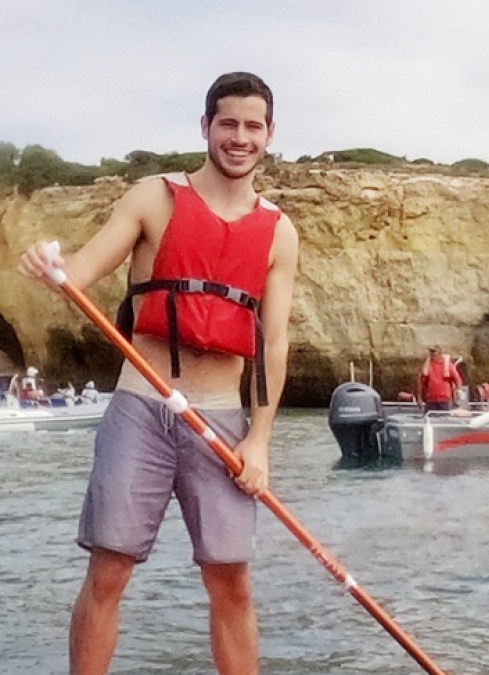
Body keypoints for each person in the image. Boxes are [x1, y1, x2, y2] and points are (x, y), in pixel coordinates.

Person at [17, 71, 298, 675]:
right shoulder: (154, 196)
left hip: (221, 419)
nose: (239, 137)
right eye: (228, 123)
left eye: (253, 126)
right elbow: (83, 269)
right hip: (142, 406)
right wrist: (51, 262)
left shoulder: (279, 233)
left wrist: (260, 442)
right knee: (109, 571)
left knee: (232, 582)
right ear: (205, 127)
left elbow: (272, 343)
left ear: (270, 135)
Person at [415, 345, 462, 412]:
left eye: (434, 351)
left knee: (444, 420)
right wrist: (419, 398)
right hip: (430, 400)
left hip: (445, 400)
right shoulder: (426, 366)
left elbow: (457, 379)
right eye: (430, 351)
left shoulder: (448, 365)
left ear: (439, 353)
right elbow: (420, 382)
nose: (432, 353)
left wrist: (458, 391)